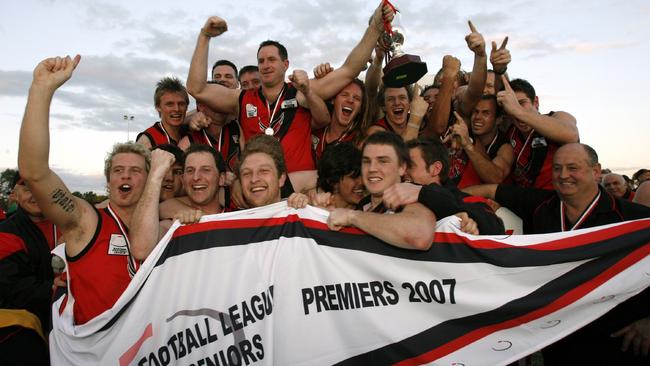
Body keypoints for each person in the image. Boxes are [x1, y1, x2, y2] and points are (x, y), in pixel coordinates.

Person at [463, 143, 650, 365]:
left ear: (596, 171)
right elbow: (489, 189)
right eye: (557, 168)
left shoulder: (634, 216)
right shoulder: (540, 204)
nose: (563, 175)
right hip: (558, 337)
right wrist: (463, 209)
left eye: (573, 168)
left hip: (618, 337)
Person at [18, 55, 152, 325]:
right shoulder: (86, 222)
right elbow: (34, 172)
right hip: (96, 352)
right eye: (117, 170)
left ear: (149, 180)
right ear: (108, 180)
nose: (125, 175)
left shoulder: (160, 225)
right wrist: (41, 90)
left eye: (136, 170)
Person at [186, 4, 393, 173]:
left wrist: (375, 26)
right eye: (261, 61)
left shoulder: (302, 92)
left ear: (285, 65)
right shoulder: (240, 99)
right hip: (260, 191)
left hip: (299, 192)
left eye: (271, 60)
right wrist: (205, 36)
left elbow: (349, 70)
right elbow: (196, 89)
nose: (265, 65)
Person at [327, 132, 436, 250]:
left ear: (402, 167)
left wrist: (352, 217)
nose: (372, 169)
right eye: (367, 161)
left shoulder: (409, 200)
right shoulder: (363, 204)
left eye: (383, 161)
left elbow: (419, 236)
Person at [382, 137, 504, 235]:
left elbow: (495, 228)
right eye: (401, 166)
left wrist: (423, 193)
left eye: (410, 166)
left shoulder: (465, 200)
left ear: (435, 169)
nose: (403, 172)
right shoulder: (391, 198)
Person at [0, 173, 60, 364]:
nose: (35, 194)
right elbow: (12, 288)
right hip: (30, 331)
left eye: (39, 186)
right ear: (15, 195)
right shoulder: (6, 232)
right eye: (27, 188)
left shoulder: (67, 223)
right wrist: (54, 287)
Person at [498, 77, 579, 189]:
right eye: (512, 105)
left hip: (556, 196)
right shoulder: (510, 130)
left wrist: (517, 110)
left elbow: (571, 134)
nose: (516, 109)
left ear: (535, 102)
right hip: (525, 197)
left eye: (522, 103)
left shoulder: (556, 117)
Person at [445, 95, 513, 187]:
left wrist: (468, 144)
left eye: (485, 113)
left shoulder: (505, 147)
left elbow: (496, 178)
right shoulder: (463, 133)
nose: (477, 117)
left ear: (498, 120)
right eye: (475, 111)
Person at [312, 79, 366, 161]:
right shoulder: (314, 129)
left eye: (357, 98)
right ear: (333, 100)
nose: (350, 100)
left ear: (360, 109)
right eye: (344, 95)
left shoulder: (360, 143)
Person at [136, 77, 190, 148]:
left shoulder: (191, 132)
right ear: (158, 107)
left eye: (181, 104)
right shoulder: (147, 140)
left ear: (187, 106)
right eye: (170, 104)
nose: (177, 109)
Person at [314, 143, 365, 209]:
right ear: (333, 182)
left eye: (363, 175)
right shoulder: (310, 209)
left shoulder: (369, 214)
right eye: (354, 177)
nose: (362, 182)